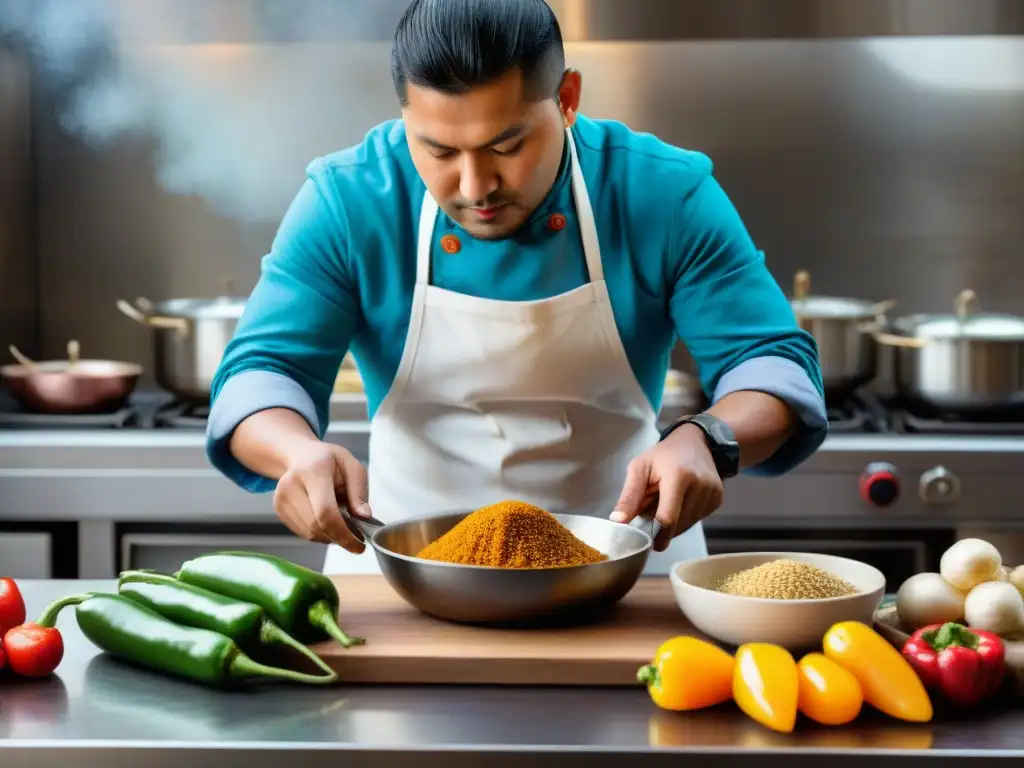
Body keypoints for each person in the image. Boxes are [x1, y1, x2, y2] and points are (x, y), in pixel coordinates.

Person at [205, 0, 827, 575]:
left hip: (625, 568)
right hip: (403, 572)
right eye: (439, 150)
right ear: (405, 117)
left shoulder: (663, 193)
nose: (475, 186)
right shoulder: (349, 199)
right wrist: (294, 452)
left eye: (506, 145)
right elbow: (260, 372)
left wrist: (708, 439)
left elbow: (773, 366)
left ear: (567, 99)